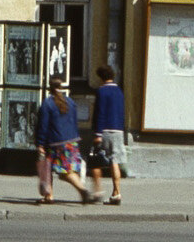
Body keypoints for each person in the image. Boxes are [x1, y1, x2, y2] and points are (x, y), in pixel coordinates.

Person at [35, 75, 95, 204]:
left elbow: (43, 125)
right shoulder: (70, 102)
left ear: (49, 88)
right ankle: (49, 195)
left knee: (59, 170)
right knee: (55, 168)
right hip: (71, 141)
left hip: (56, 142)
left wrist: (40, 143)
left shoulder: (47, 103)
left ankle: (81, 190)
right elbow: (74, 122)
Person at [85, 63, 128, 204]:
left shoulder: (101, 91)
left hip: (104, 131)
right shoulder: (119, 91)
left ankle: (98, 191)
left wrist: (97, 133)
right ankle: (117, 193)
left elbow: (100, 113)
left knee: (95, 161)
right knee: (114, 162)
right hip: (118, 130)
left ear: (101, 77)